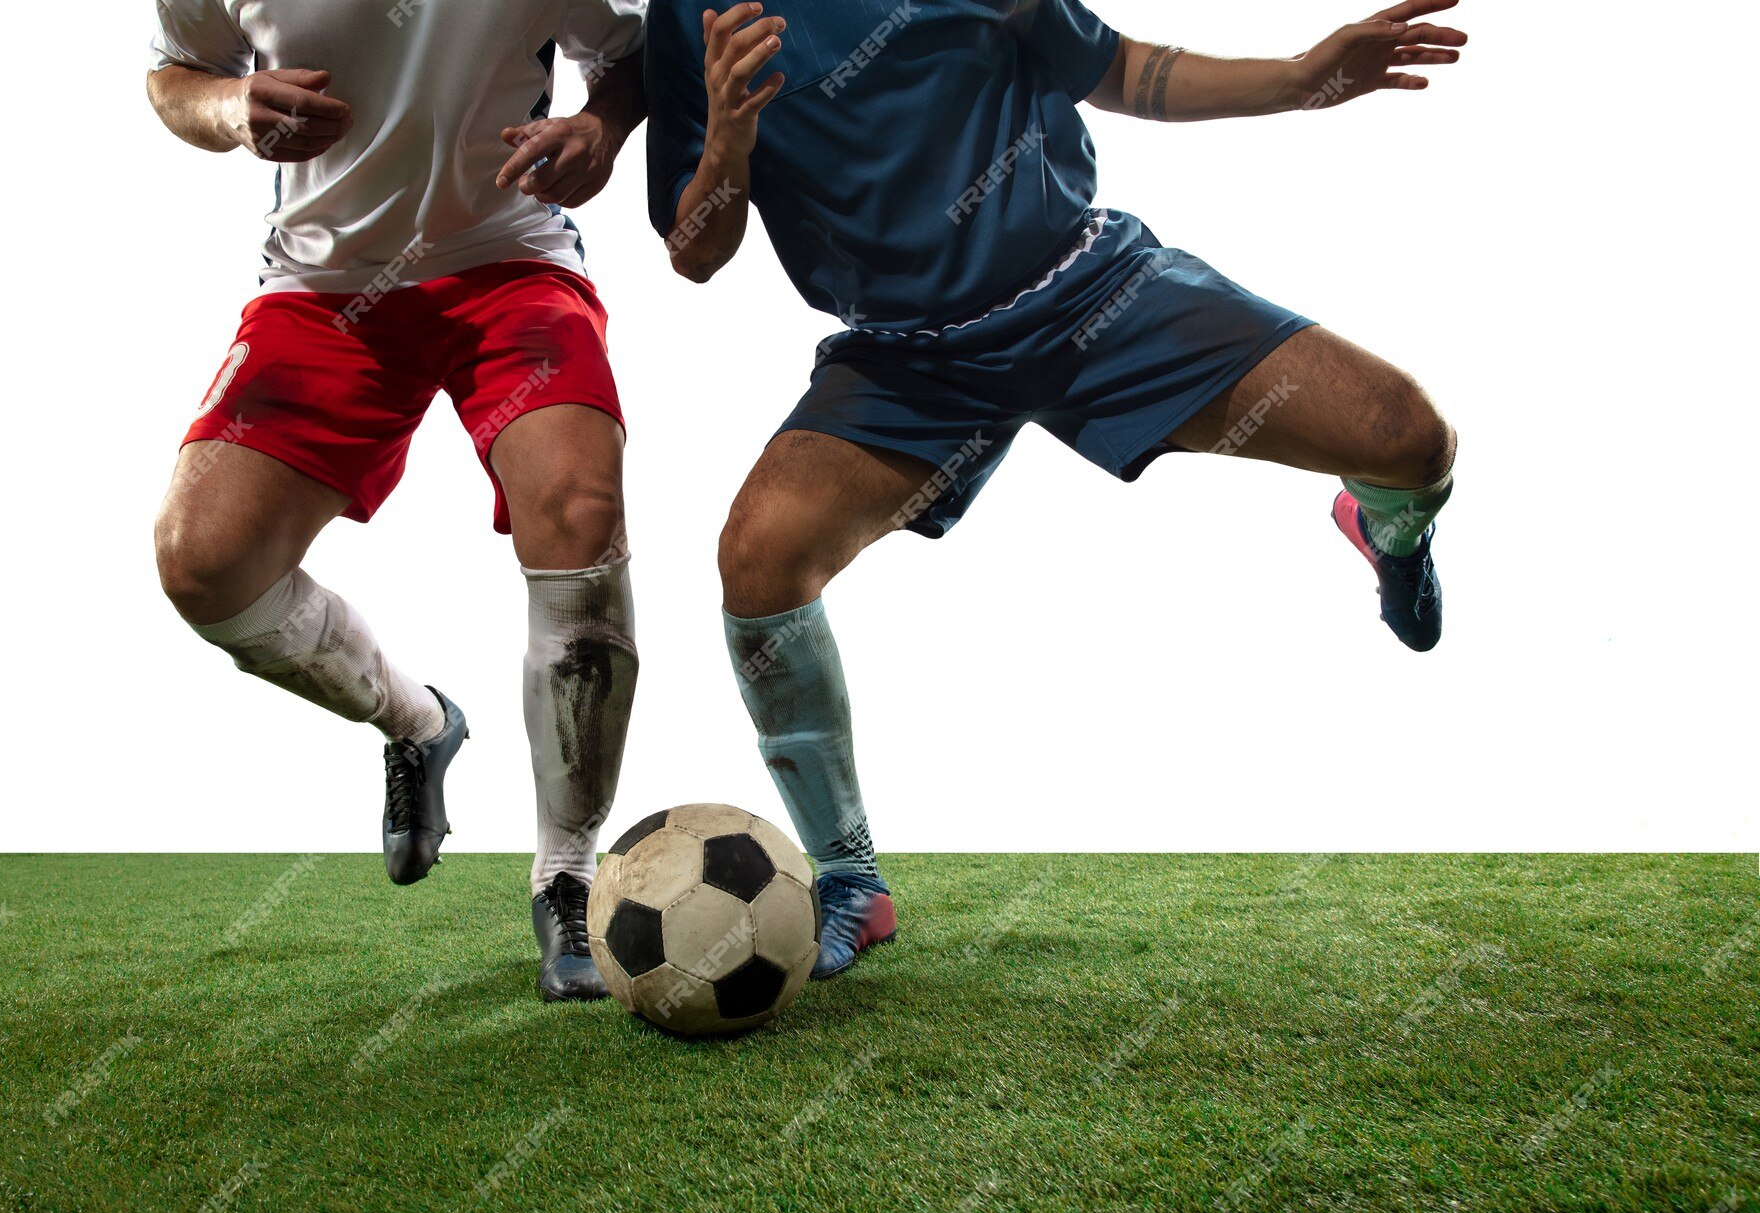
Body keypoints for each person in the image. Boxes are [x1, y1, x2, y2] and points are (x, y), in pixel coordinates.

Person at [645, 0, 1467, 977]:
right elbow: (695, 249)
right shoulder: (689, 11)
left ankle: (1389, 534)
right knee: (758, 560)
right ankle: (848, 879)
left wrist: (1300, 75)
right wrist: (729, 140)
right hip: (906, 360)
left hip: (1086, 290)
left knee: (1408, 438)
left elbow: (1116, 69)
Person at [148, 0, 650, 1001]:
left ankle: (566, 879)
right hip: (323, 284)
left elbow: (633, 56)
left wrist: (601, 126)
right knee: (201, 562)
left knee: (579, 511)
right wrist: (234, 106)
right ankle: (418, 723)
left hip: (508, 261)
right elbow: (177, 77)